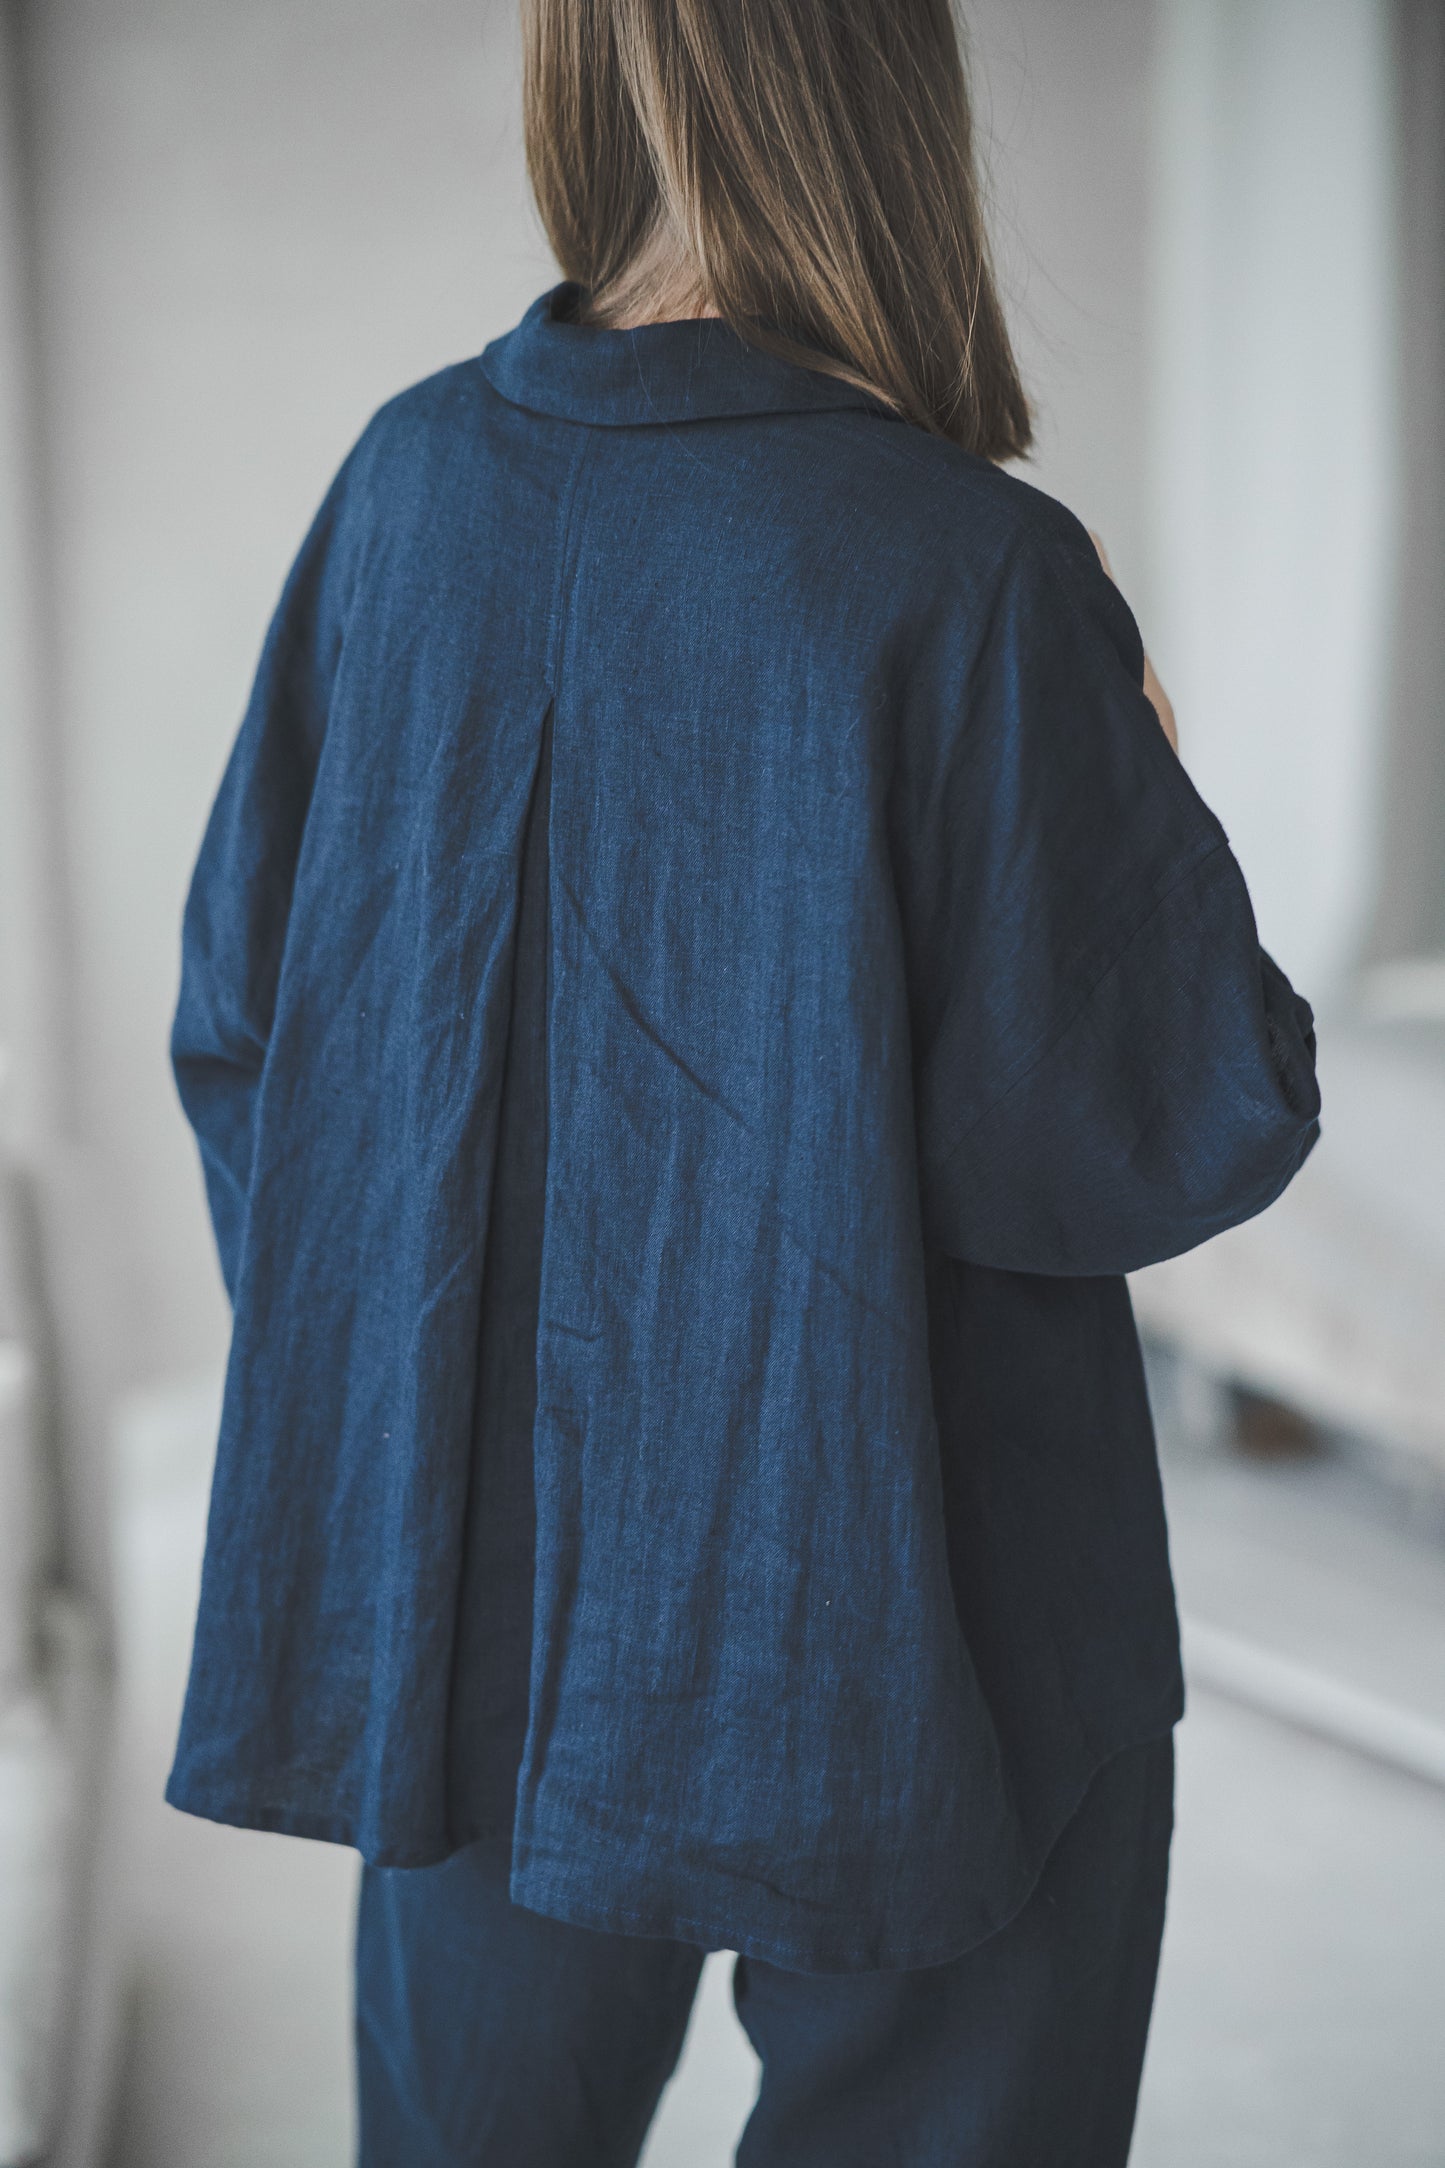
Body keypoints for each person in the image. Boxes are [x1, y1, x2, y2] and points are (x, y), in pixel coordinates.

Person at [166, 1, 1320, 2161]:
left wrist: (434, 1413)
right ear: (896, 105)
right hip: (926, 1621)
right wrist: (1146, 773)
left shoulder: (405, 488)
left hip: (480, 1605)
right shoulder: (971, 573)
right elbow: (1156, 1121)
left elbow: (252, 1035)